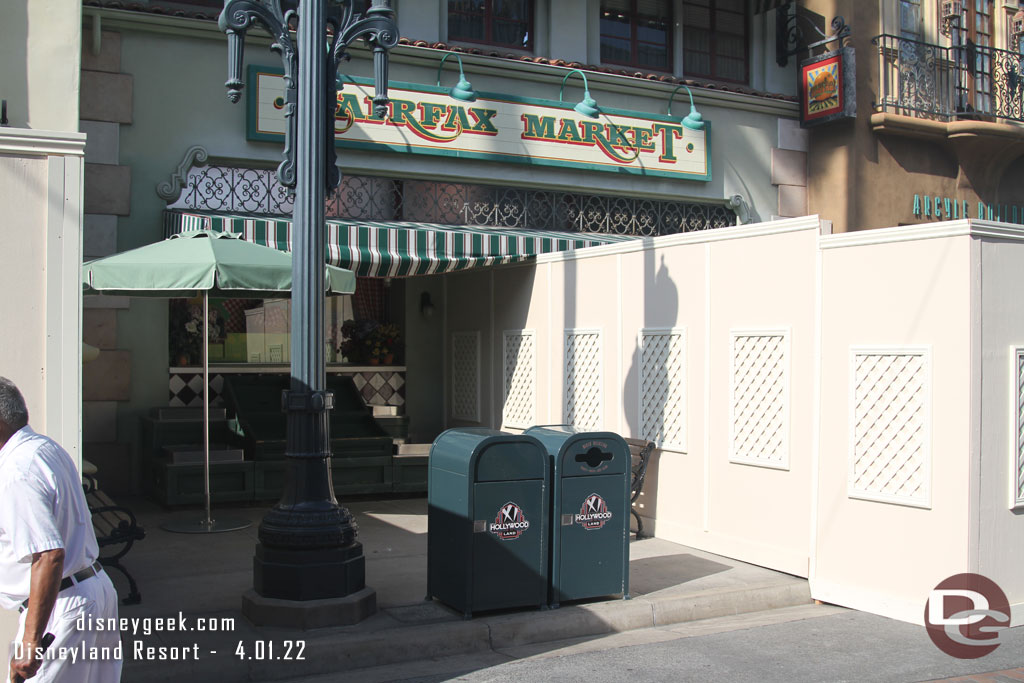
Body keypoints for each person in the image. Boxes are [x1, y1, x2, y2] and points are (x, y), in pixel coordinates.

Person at [0, 377, 121, 682]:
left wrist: (30, 641)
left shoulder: (16, 471)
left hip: (60, 607)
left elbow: (49, 554)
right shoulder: (43, 448)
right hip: (92, 590)